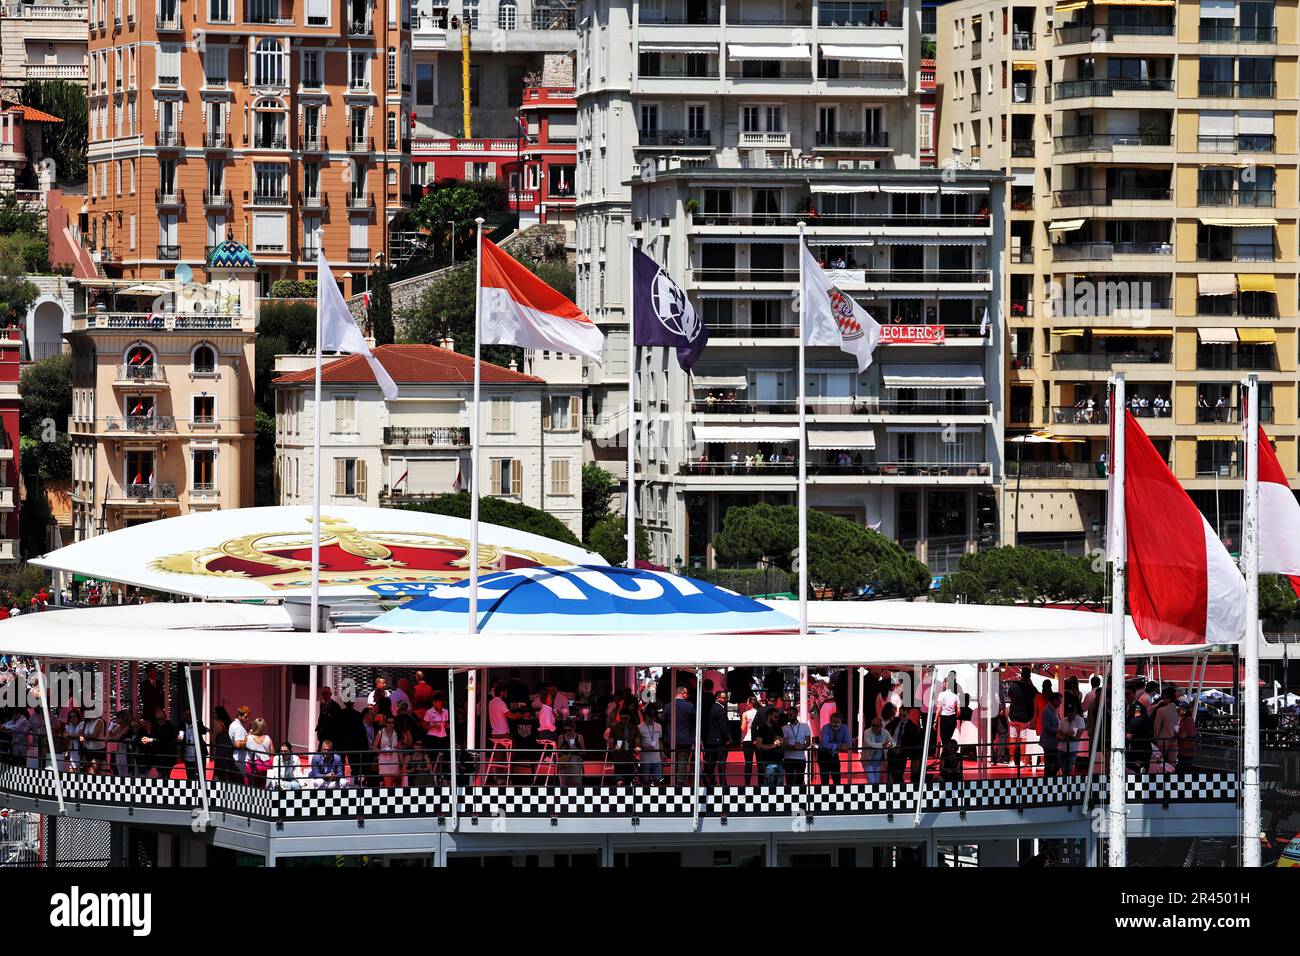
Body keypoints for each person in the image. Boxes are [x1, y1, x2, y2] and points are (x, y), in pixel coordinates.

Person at [1007, 667, 1038, 768]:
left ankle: (1011, 761)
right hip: (1025, 717)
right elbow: (1037, 695)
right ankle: (1022, 761)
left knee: (1013, 737)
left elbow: (1010, 695)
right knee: (1023, 738)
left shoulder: (1014, 685)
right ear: (1029, 676)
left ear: (1021, 675)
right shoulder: (1030, 688)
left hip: (1013, 715)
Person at [665, 684, 696, 784]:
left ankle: (674, 779)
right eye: (686, 694)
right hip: (685, 737)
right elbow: (694, 721)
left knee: (674, 759)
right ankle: (680, 781)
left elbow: (664, 720)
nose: (687, 695)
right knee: (683, 759)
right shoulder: (689, 706)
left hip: (672, 737)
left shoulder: (668, 706)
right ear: (683, 694)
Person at [1150, 685, 1180, 773]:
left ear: (1166, 697)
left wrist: (1155, 738)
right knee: (1172, 764)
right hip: (1175, 740)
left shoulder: (1161, 710)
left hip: (1162, 740)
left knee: (1159, 763)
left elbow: (1157, 727)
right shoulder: (1180, 710)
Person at [703, 691, 730, 787]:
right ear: (718, 698)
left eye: (726, 698)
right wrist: (728, 738)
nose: (726, 700)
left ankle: (712, 780)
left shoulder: (713, 708)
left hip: (712, 739)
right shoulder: (720, 710)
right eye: (724, 698)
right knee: (721, 762)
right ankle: (722, 781)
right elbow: (723, 726)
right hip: (720, 740)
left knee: (711, 761)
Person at [817, 709, 851, 784]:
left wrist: (836, 746)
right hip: (823, 754)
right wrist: (839, 745)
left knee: (837, 778)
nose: (835, 725)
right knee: (825, 779)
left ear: (841, 722)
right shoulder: (826, 728)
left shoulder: (844, 728)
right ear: (830, 721)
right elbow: (825, 744)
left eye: (838, 723)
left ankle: (837, 794)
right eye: (833, 722)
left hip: (834, 754)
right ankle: (825, 794)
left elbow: (848, 744)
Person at [753, 708, 785, 785]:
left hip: (779, 760)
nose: (777, 719)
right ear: (769, 716)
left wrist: (781, 741)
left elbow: (783, 742)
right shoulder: (762, 729)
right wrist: (773, 745)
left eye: (778, 717)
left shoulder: (778, 728)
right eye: (775, 717)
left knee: (780, 784)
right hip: (768, 761)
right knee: (770, 784)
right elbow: (759, 745)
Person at [781, 708, 811, 785]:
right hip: (788, 757)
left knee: (800, 779)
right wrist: (793, 747)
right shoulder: (785, 728)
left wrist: (802, 746)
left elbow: (808, 743)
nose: (789, 716)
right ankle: (789, 796)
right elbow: (784, 743)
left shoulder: (805, 726)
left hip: (800, 758)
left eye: (790, 714)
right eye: (787, 715)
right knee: (789, 780)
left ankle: (800, 796)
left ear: (796, 714)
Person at [608, 710, 638, 785]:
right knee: (619, 781)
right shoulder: (614, 728)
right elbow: (611, 743)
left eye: (625, 718)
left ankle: (628, 795)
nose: (623, 720)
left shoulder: (634, 728)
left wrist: (637, 749)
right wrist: (615, 748)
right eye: (621, 718)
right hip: (619, 758)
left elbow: (637, 742)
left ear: (629, 718)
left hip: (630, 758)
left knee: (629, 780)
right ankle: (620, 795)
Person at [1058, 698, 1086, 776]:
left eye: (1071, 711)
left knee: (1068, 769)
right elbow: (1058, 735)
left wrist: (1064, 735)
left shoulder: (1080, 720)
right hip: (1061, 748)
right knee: (1064, 769)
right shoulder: (1063, 721)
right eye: (1068, 711)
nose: (1070, 713)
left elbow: (1077, 736)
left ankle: (1066, 784)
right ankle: (1065, 784)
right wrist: (1068, 735)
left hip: (1072, 749)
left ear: (1075, 711)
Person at [862, 716, 893, 784]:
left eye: (877, 726)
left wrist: (888, 744)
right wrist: (882, 745)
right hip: (868, 761)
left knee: (877, 781)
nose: (874, 727)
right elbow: (869, 744)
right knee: (872, 781)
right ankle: (871, 793)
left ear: (881, 725)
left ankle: (874, 794)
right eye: (873, 725)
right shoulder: (867, 732)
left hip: (879, 763)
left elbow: (892, 742)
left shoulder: (885, 732)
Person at [636, 707, 664, 784]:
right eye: (650, 716)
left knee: (658, 780)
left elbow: (660, 740)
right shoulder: (640, 727)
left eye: (654, 717)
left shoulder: (658, 726)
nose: (652, 719)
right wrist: (643, 747)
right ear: (646, 715)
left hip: (657, 759)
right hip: (645, 759)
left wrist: (662, 754)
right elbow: (637, 743)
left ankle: (656, 795)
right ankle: (646, 795)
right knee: (646, 781)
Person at [373, 715, 402, 787]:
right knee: (387, 781)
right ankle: (388, 796)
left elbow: (399, 749)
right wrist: (382, 751)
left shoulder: (397, 733)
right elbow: (374, 747)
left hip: (394, 758)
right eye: (388, 722)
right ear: (385, 723)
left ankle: (390, 795)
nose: (390, 724)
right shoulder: (381, 732)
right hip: (384, 758)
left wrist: (402, 763)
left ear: (394, 724)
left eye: (392, 722)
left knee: (393, 781)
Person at [244, 718, 274, 786]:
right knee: (264, 786)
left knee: (250, 786)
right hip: (266, 764)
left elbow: (241, 747)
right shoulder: (268, 738)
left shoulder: (248, 737)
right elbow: (272, 752)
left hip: (253, 764)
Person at [557, 719, 586, 785]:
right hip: (564, 762)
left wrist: (576, 749)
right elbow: (558, 753)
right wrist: (564, 749)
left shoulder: (579, 737)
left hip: (575, 762)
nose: (568, 732)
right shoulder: (561, 737)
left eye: (569, 730)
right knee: (564, 784)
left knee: (574, 761)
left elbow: (584, 753)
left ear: (574, 728)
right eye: (566, 730)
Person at [739, 696, 760, 786]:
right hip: (757, 739)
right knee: (760, 762)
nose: (746, 704)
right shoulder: (759, 712)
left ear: (750, 704)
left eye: (747, 702)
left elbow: (743, 728)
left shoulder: (745, 714)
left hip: (747, 739)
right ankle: (761, 782)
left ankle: (747, 783)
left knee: (748, 763)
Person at [1039, 691, 1061, 777]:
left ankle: (1050, 776)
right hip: (1049, 742)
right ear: (1054, 700)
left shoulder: (1052, 710)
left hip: (1052, 742)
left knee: (1053, 762)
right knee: (1051, 762)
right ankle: (1049, 777)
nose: (1060, 702)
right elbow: (1046, 727)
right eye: (1059, 700)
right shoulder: (1047, 711)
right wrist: (1058, 731)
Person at [936, 673, 961, 745]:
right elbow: (959, 711)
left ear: (945, 684)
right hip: (952, 718)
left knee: (944, 739)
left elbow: (939, 709)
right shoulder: (956, 696)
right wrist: (954, 716)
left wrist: (935, 720)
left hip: (944, 718)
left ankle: (946, 754)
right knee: (948, 738)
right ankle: (949, 754)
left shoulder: (941, 694)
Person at [229, 705, 250, 784]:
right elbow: (238, 745)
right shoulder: (238, 728)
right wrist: (247, 737)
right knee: (243, 781)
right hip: (241, 759)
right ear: (239, 715)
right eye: (245, 717)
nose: (247, 719)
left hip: (237, 757)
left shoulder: (233, 725)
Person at [1175, 701, 1197, 774]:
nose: (1177, 712)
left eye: (1178, 710)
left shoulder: (1187, 720)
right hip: (1184, 750)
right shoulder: (1184, 720)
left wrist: (1175, 734)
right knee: (1184, 770)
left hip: (1186, 751)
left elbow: (1182, 736)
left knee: (1183, 771)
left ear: (1184, 710)